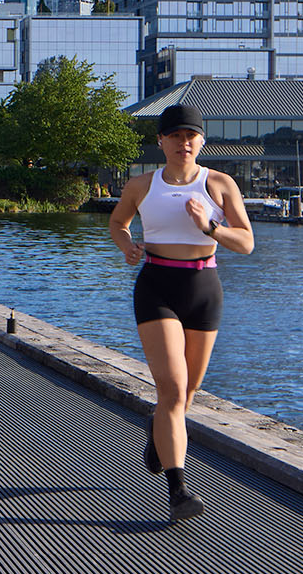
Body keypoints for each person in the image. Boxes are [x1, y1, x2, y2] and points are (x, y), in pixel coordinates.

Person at [107, 101, 255, 523]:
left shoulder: (220, 184)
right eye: (174, 136)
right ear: (161, 141)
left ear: (201, 141)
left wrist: (209, 227)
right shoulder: (142, 185)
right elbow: (118, 223)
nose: (183, 142)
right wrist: (127, 246)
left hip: (203, 287)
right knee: (172, 389)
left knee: (186, 395)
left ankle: (160, 439)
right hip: (157, 286)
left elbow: (246, 243)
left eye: (190, 136)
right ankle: (178, 491)